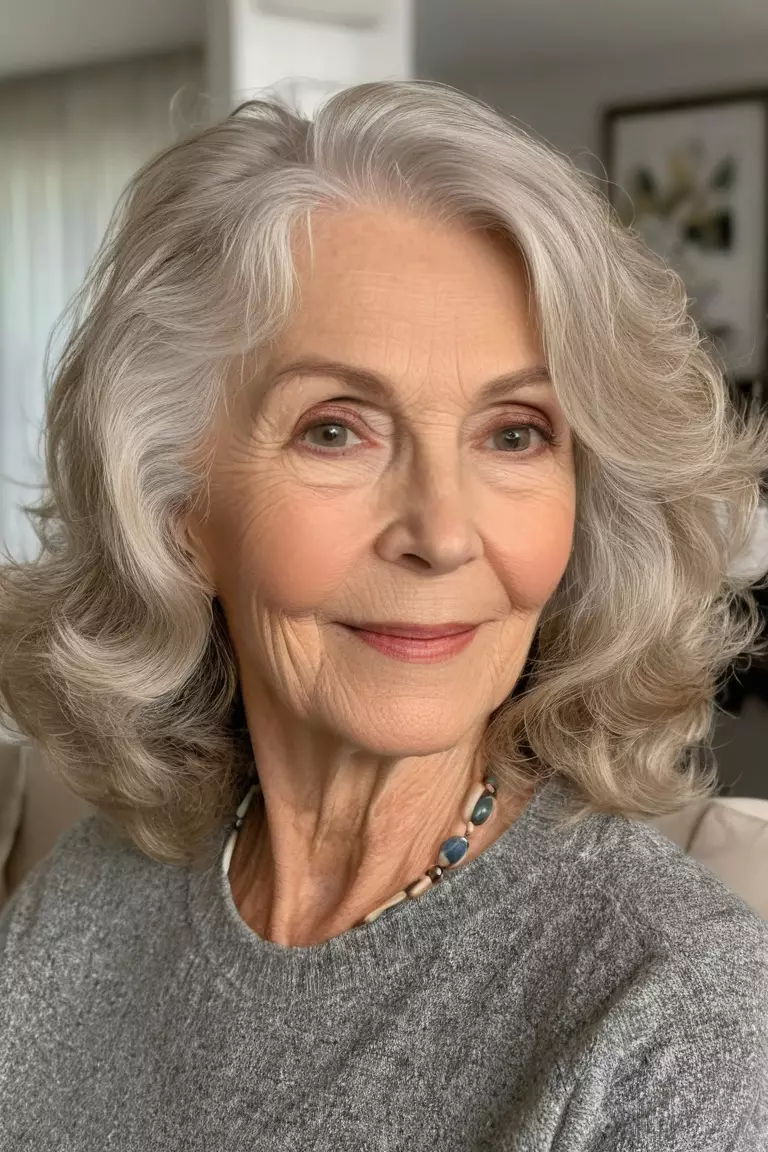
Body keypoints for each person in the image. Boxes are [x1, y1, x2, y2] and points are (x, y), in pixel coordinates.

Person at [0, 79, 767, 1151]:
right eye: (335, 430)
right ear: (176, 506)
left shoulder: (681, 1019)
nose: (443, 534)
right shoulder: (87, 901)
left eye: (514, 434)